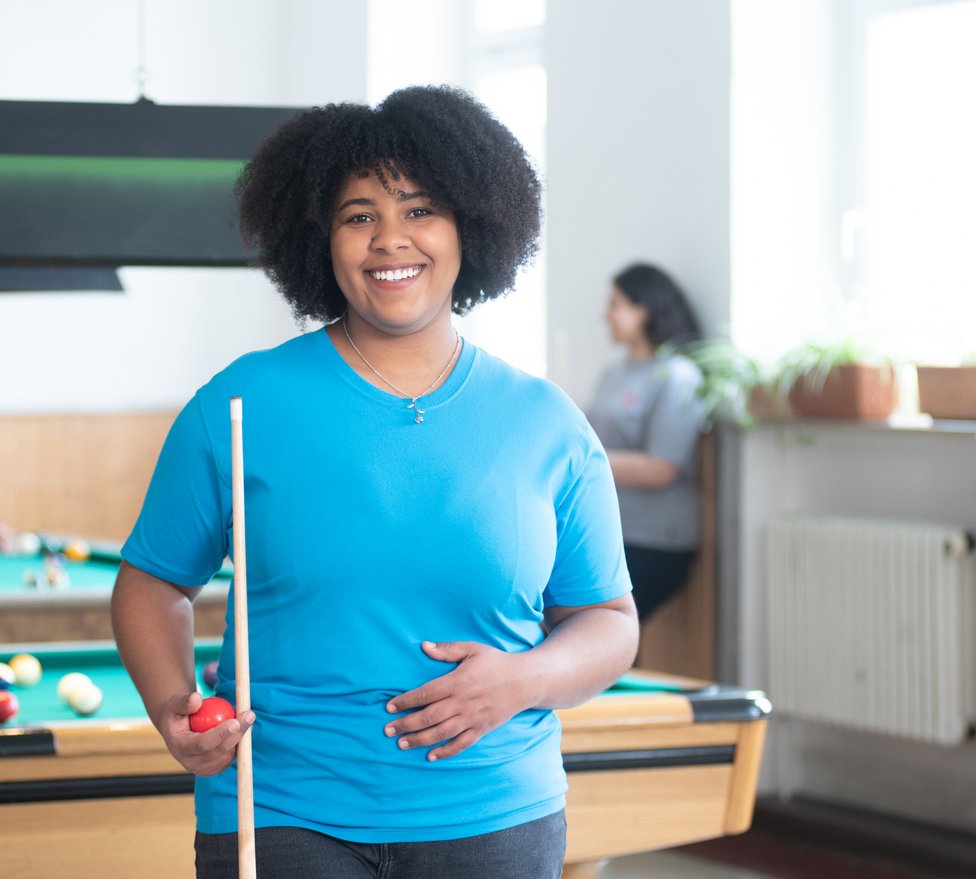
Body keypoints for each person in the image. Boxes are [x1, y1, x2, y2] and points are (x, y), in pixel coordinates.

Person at [110, 85, 638, 879]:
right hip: (279, 809)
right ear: (320, 239)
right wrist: (169, 706)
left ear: (472, 227)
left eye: (420, 209)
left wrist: (522, 679)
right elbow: (152, 583)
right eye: (359, 215)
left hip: (493, 812)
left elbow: (608, 618)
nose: (390, 240)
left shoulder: (545, 421)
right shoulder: (240, 402)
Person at [584, 263, 706, 624]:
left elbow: (662, 468)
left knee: (598, 628)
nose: (606, 315)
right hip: (611, 531)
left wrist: (584, 460)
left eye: (615, 304)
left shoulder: (678, 376)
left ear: (644, 309)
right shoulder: (615, 373)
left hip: (656, 539)